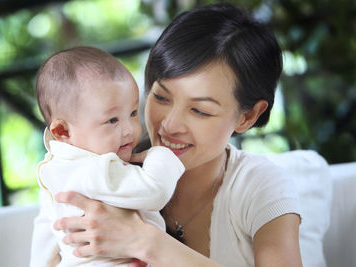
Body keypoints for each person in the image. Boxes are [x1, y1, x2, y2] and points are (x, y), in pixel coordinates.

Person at [42, 3, 304, 267]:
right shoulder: (84, 173)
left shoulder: (259, 186)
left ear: (248, 116)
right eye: (161, 97)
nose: (170, 124)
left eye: (200, 111)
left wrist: (146, 242)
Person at [30, 46, 185, 267]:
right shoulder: (93, 168)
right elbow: (155, 190)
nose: (129, 129)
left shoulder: (55, 170)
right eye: (112, 120)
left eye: (132, 113)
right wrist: (162, 155)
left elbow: (45, 238)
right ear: (63, 131)